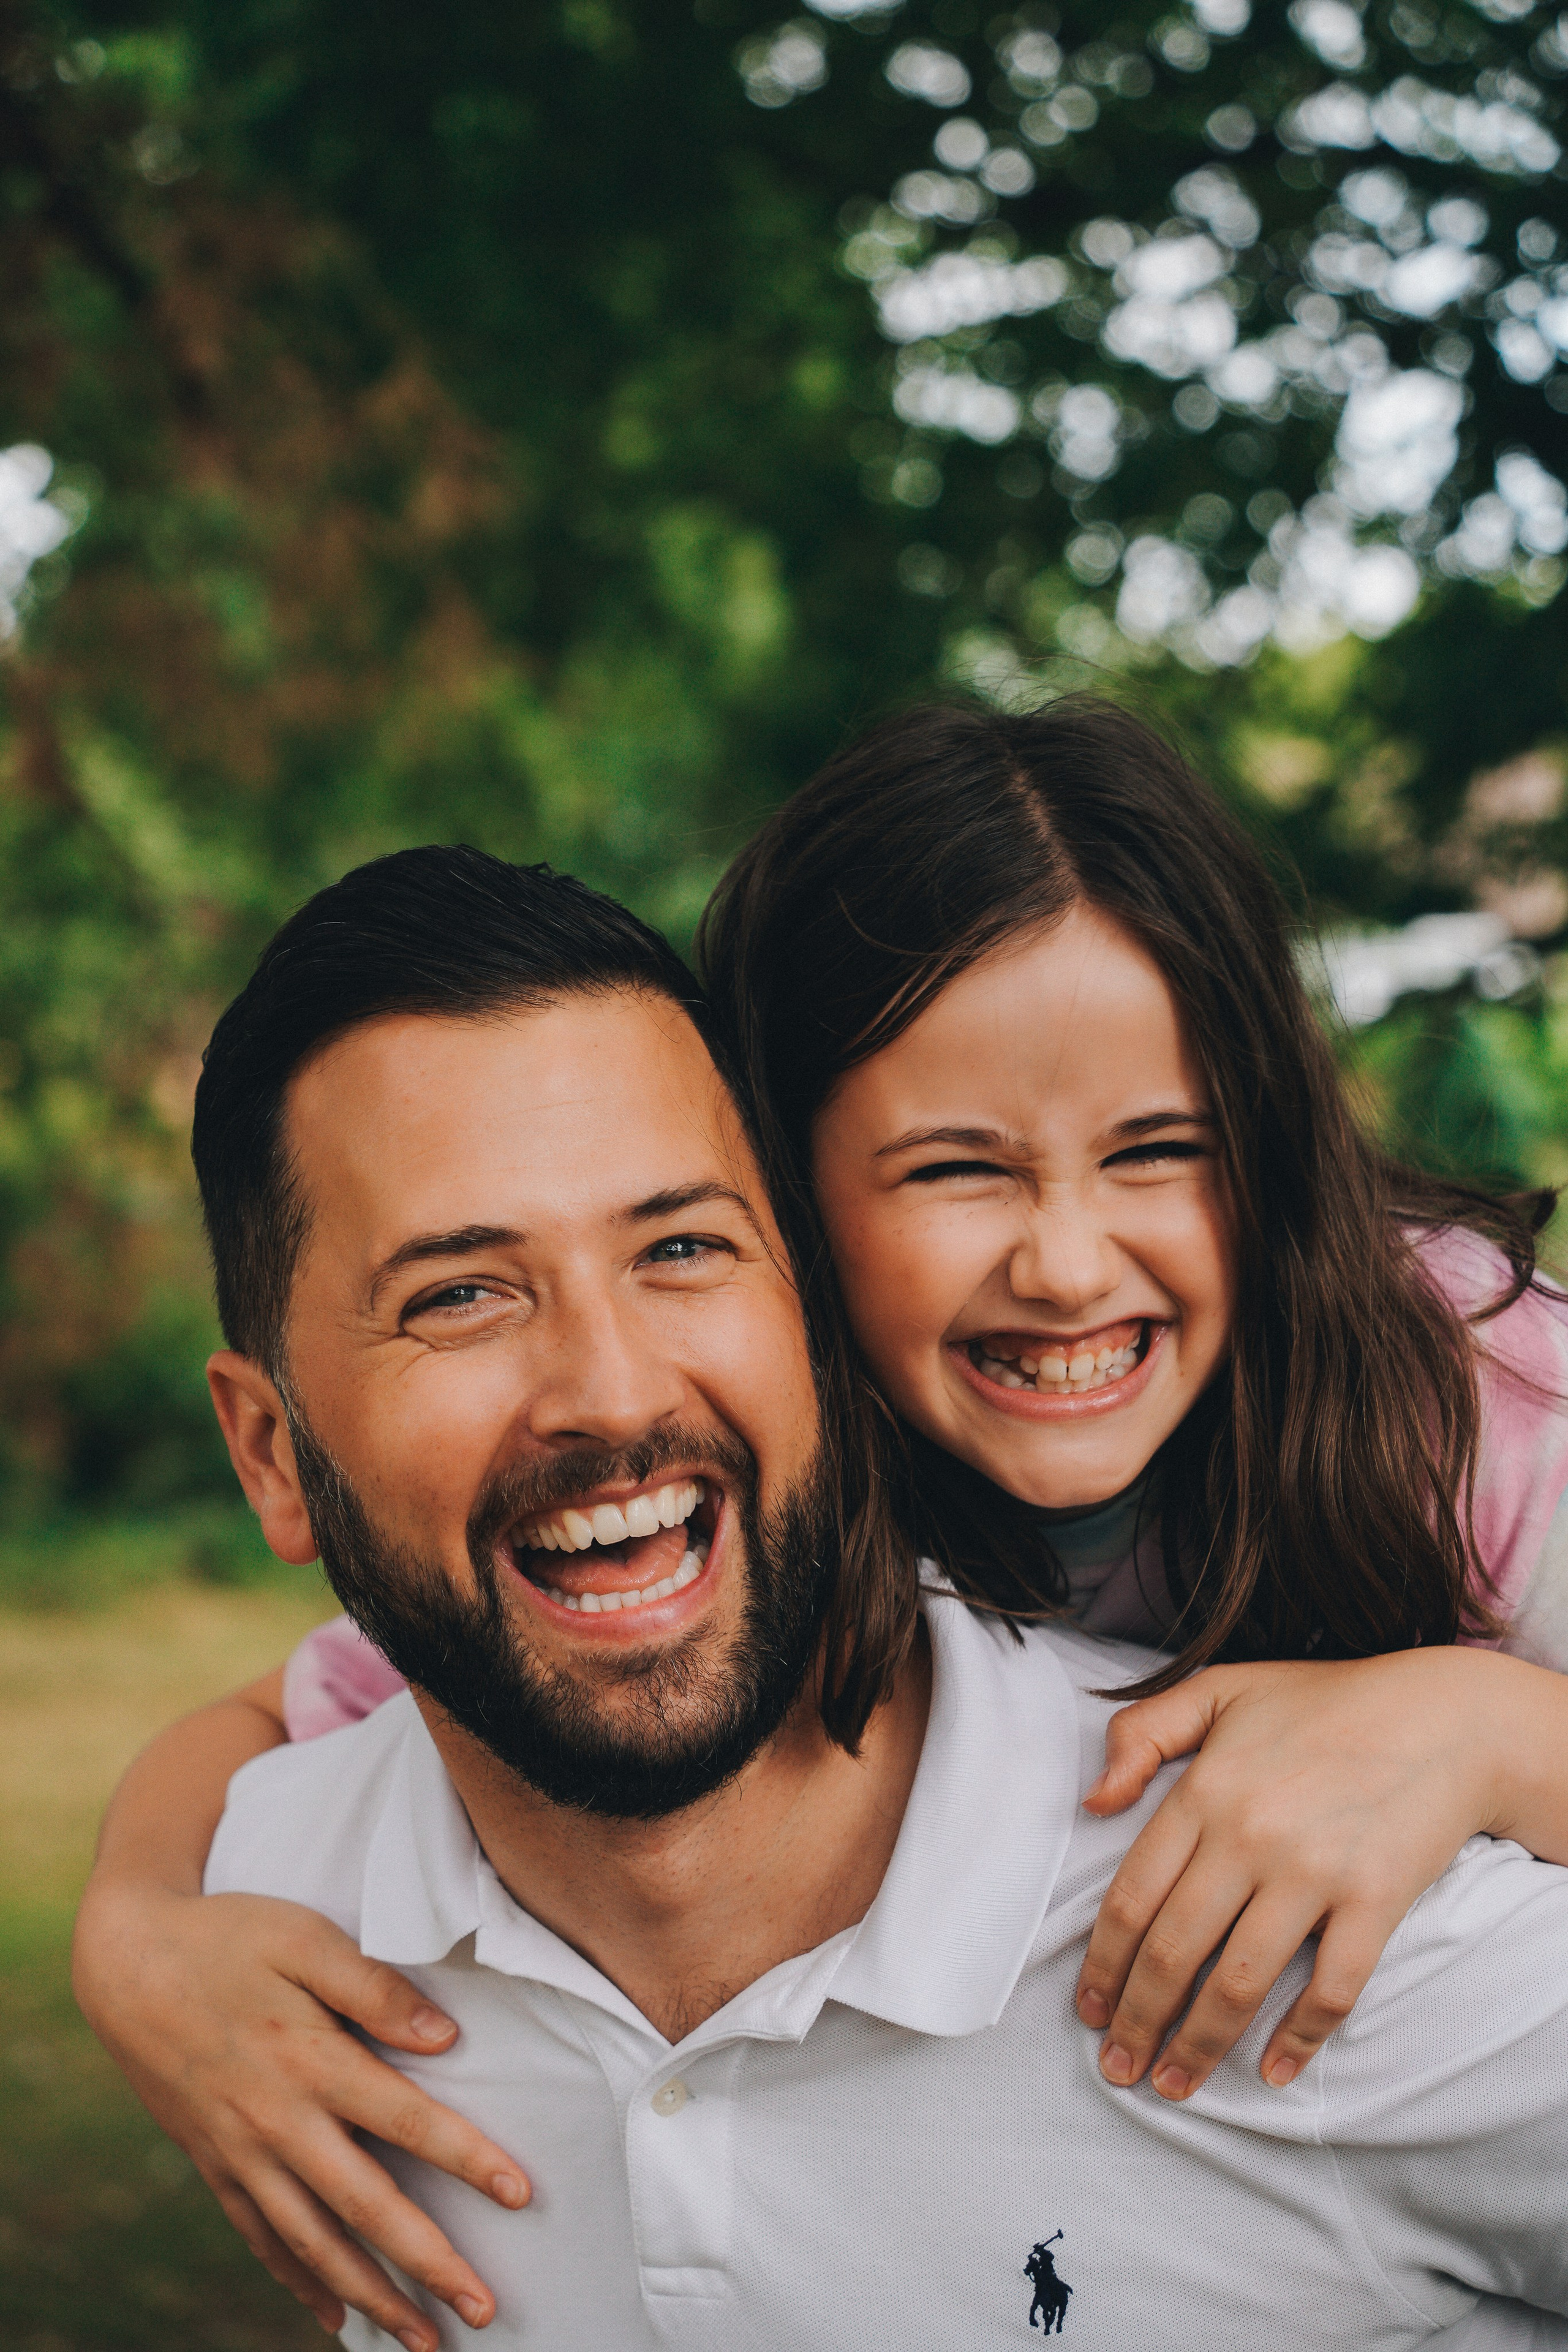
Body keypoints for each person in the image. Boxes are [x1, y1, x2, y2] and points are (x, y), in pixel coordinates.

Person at [74, 706, 1568, 2348]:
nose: (1067, 1262)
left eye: (1157, 1153)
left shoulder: (1471, 1405)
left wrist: (1493, 1730)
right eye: (955, 1172)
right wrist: (140, 1942)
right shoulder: (712, 1511)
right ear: (801, 1221)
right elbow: (291, 1732)